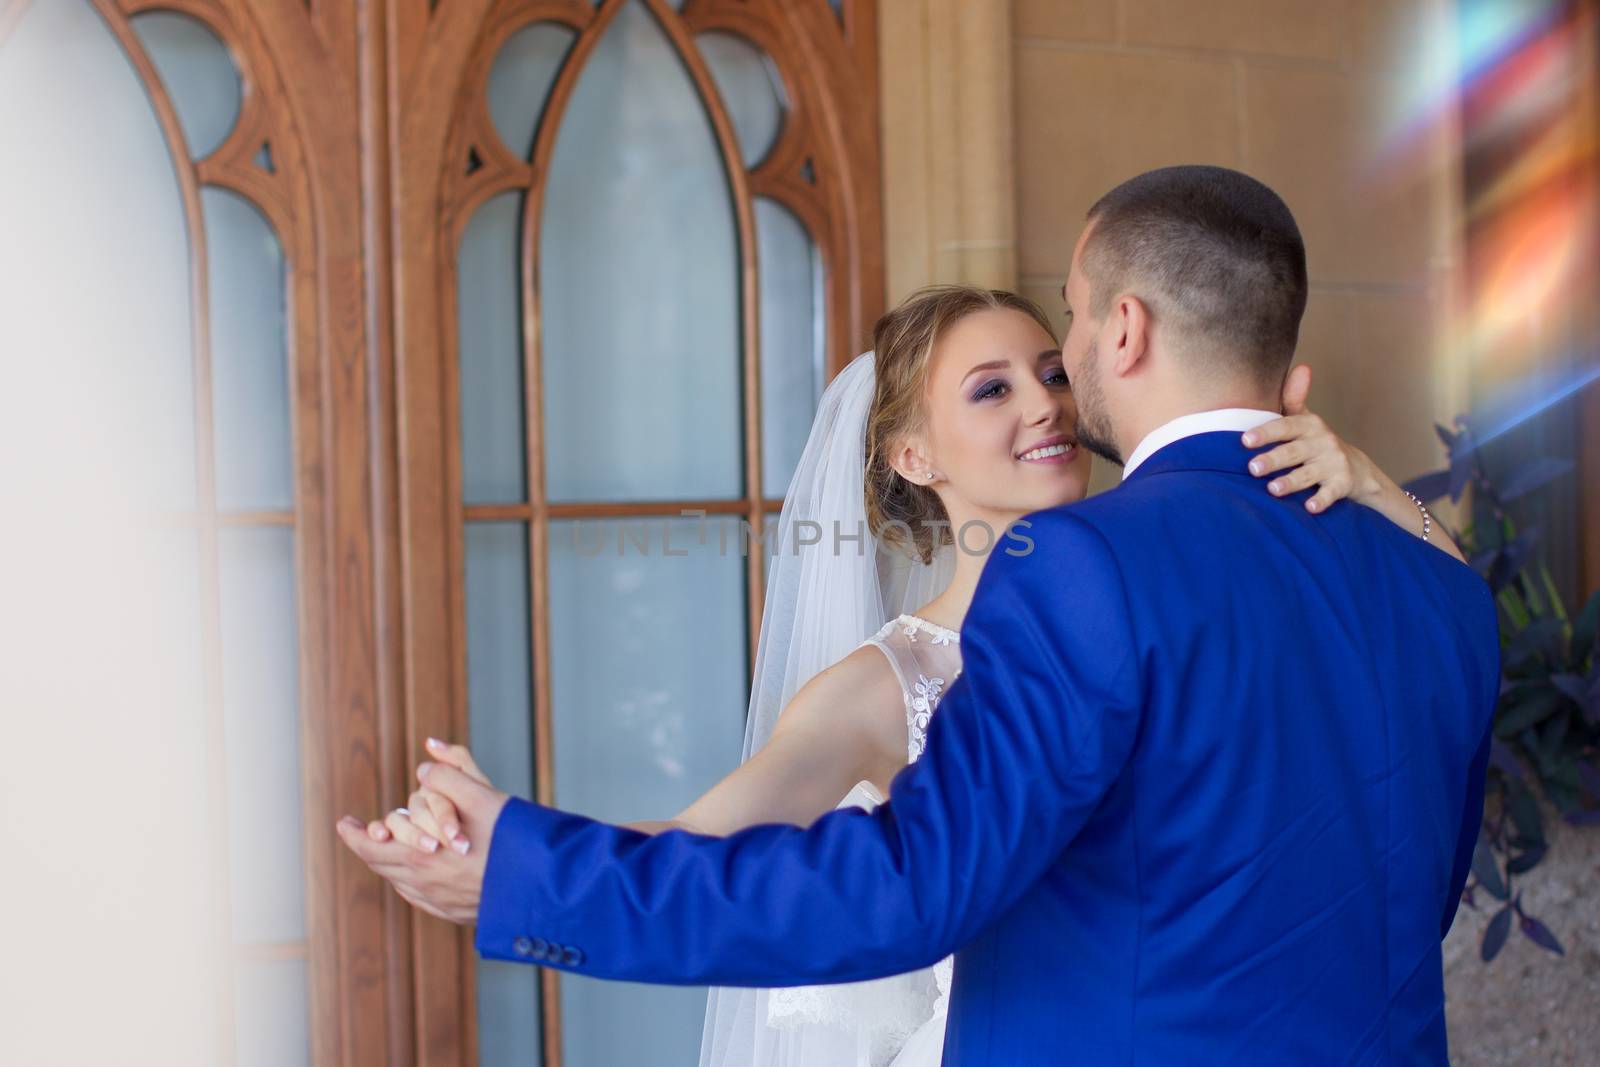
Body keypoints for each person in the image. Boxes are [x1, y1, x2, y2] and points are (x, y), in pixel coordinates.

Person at [339, 166, 1499, 1065]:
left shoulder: (1083, 566)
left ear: (1127, 331)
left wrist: (532, 874)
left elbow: (908, 884)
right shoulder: (1438, 589)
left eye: (1072, 329)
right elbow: (1408, 893)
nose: (1057, 383)